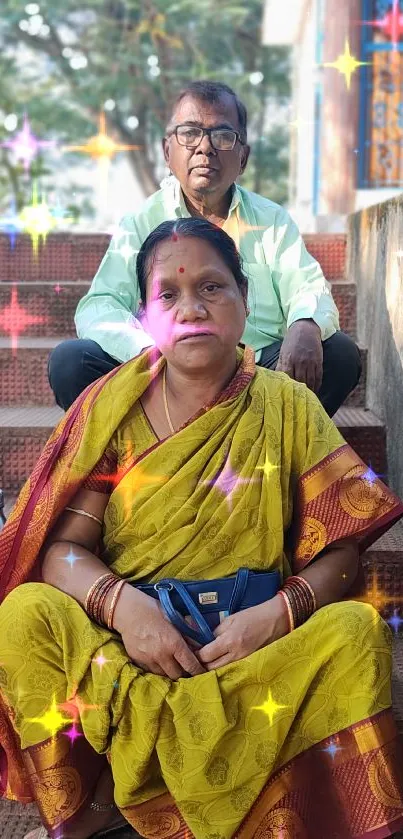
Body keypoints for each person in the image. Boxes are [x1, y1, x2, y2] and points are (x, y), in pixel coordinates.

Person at [0, 219, 402, 839]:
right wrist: (130, 613)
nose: (192, 308)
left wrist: (277, 615)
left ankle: (269, 809)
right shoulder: (113, 407)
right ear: (144, 316)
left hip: (253, 649)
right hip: (134, 650)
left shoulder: (286, 403)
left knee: (356, 632)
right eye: (168, 295)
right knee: (24, 615)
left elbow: (343, 552)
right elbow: (62, 552)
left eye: (213, 288)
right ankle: (101, 813)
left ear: (245, 303)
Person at [48, 81, 361, 417]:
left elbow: (306, 286)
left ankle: (252, 453)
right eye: (190, 133)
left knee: (339, 354)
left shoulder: (272, 220)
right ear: (167, 152)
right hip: (162, 378)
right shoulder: (140, 223)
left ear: (243, 157)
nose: (205, 148)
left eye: (223, 136)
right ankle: (156, 458)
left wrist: (306, 324)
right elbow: (100, 305)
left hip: (254, 377)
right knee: (71, 362)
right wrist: (153, 355)